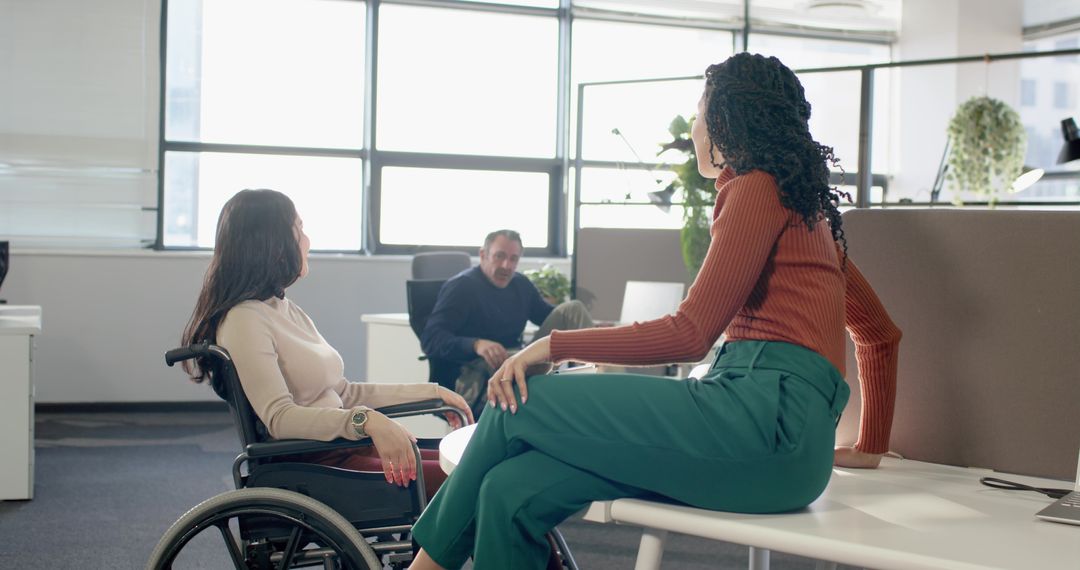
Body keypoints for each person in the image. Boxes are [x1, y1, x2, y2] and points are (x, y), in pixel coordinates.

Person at [407, 52, 902, 570]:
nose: (693, 128)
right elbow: (880, 335)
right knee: (510, 492)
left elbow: (690, 334)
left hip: (759, 428)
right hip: (783, 450)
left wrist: (552, 345)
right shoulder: (808, 213)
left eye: (699, 111)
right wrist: (869, 444)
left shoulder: (756, 188)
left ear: (727, 121)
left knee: (521, 404)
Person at [181, 189, 474, 500]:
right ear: (274, 243)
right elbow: (279, 418)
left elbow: (344, 393)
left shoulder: (284, 309)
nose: (307, 241)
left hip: (344, 449)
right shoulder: (244, 319)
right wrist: (365, 420)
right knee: (475, 484)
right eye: (300, 229)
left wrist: (433, 391)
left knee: (474, 468)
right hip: (318, 465)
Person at [420, 229, 593, 416]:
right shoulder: (462, 287)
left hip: (517, 358)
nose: (506, 265)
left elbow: (550, 315)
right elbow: (431, 339)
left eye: (513, 259)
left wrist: (595, 330)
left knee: (573, 309)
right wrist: (476, 344)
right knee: (525, 361)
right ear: (483, 255)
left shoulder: (520, 285)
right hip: (475, 370)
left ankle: (599, 382)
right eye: (499, 256)